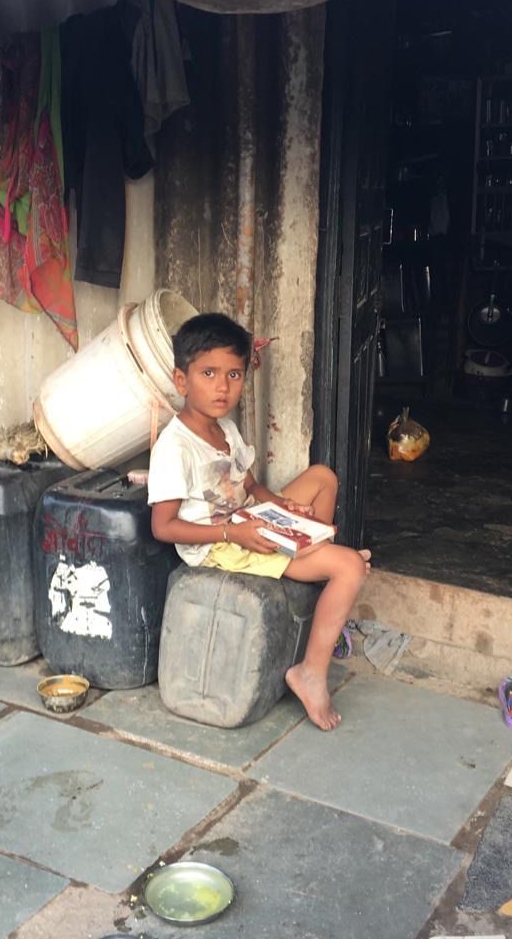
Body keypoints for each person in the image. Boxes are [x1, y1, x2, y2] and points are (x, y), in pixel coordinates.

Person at [143, 311, 371, 732]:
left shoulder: (225, 430)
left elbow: (250, 486)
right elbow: (164, 527)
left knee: (323, 478)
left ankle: (315, 564)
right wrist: (233, 533)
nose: (223, 386)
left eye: (233, 374)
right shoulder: (175, 448)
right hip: (220, 545)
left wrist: (285, 509)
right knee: (351, 567)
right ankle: (311, 671)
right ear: (181, 380)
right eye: (209, 373)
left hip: (247, 520)